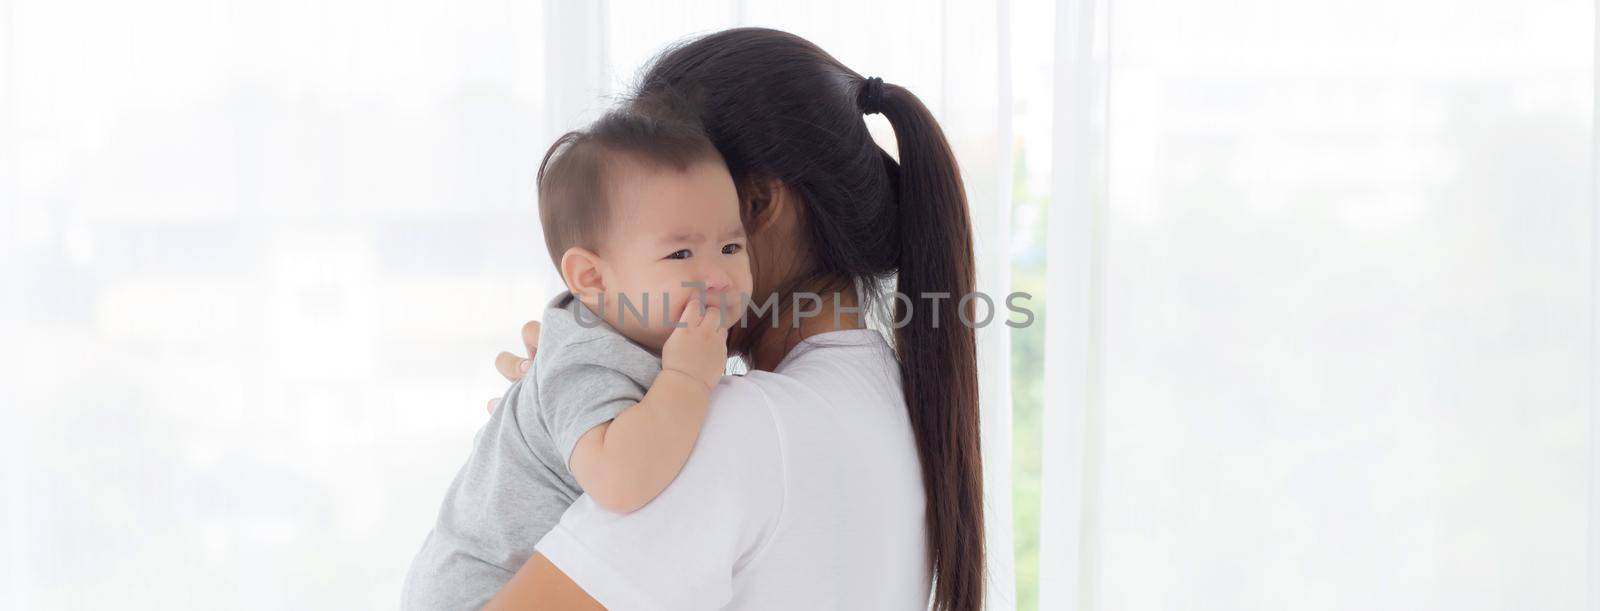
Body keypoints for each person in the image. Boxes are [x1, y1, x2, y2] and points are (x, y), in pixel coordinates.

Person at [483, 28, 986, 611]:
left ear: (756, 206)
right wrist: (572, 409)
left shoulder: (731, 428)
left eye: (675, 237)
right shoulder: (900, 398)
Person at [401, 109, 751, 610]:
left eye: (731, 245)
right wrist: (687, 377)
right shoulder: (583, 357)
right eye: (680, 255)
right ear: (591, 278)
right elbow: (621, 481)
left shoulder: (644, 339)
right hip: (482, 593)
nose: (719, 275)